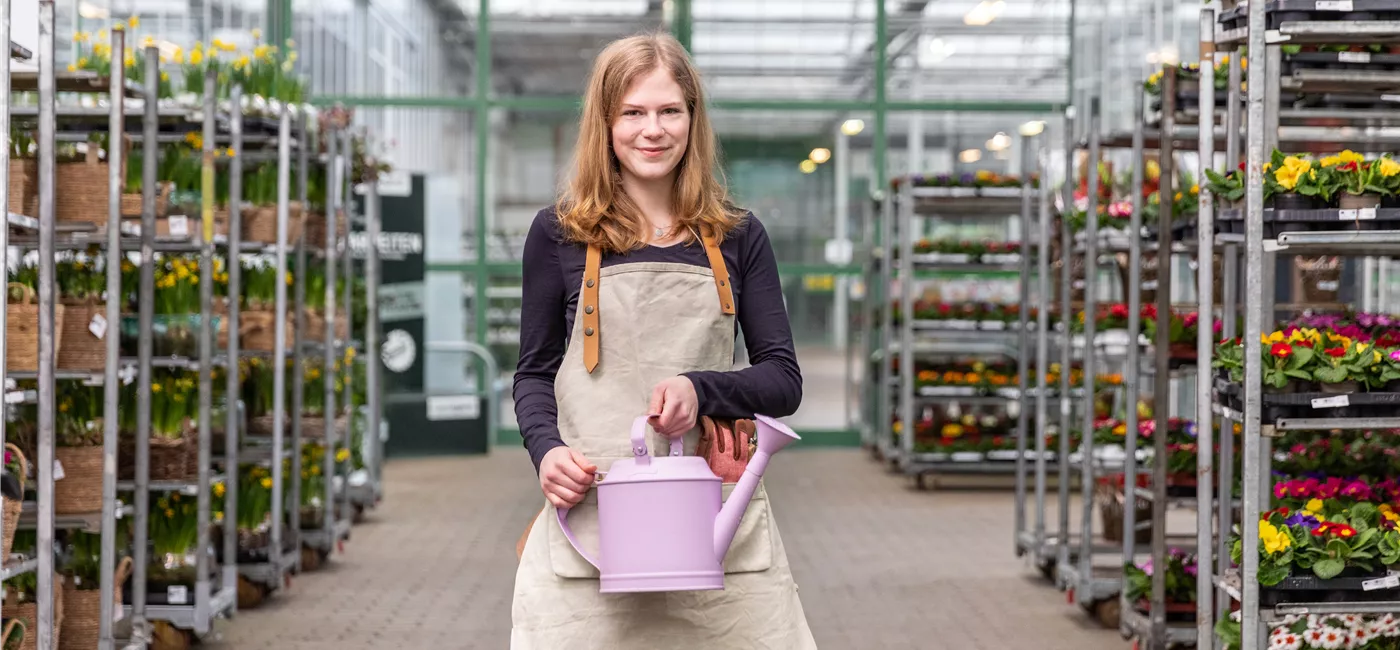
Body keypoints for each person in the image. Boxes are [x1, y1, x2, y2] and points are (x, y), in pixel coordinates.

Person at [509, 31, 818, 649]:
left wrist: (701, 389)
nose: (653, 129)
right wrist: (546, 452)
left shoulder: (738, 235)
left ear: (692, 119)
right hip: (593, 519)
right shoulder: (559, 234)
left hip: (713, 528)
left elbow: (783, 379)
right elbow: (534, 374)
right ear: (605, 122)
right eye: (634, 112)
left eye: (669, 110)